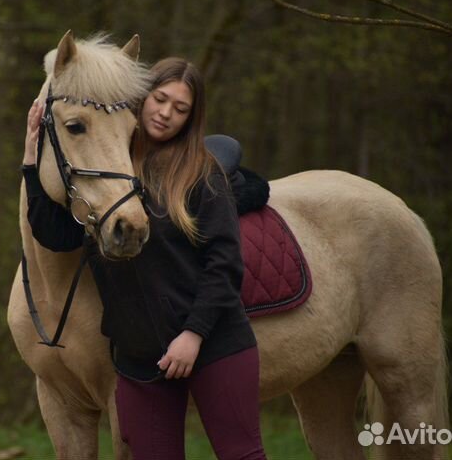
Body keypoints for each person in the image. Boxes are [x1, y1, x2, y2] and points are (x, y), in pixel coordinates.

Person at [21, 58, 267, 460]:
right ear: (142, 98)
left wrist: (194, 334)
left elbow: (224, 263)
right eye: (160, 99)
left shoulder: (201, 173)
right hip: (140, 358)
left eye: (181, 108)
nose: (166, 113)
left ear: (192, 118)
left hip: (213, 343)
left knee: (242, 455)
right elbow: (55, 234)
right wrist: (32, 160)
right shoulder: (108, 174)